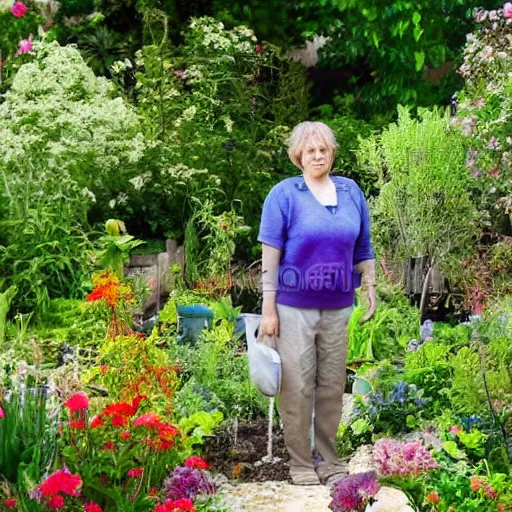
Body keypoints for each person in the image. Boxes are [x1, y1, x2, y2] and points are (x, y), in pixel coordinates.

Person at [257, 121, 376, 485]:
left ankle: (329, 459)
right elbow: (270, 254)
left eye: (323, 149)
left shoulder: (351, 191)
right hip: (294, 306)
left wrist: (369, 285)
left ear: (332, 153)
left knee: (330, 385)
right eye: (310, 150)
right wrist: (269, 308)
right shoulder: (284, 194)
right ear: (298, 156)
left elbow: (364, 248)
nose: (318, 155)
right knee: (297, 385)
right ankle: (300, 463)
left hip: (339, 306)